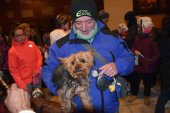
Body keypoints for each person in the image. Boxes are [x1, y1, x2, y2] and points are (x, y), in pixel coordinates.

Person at [41, 0, 134, 113]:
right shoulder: (60, 46)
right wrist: (62, 90)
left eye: (89, 21)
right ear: (72, 22)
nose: (84, 28)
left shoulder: (112, 38)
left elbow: (130, 59)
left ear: (95, 19)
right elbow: (46, 70)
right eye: (78, 23)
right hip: (80, 109)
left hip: (110, 108)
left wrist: (118, 66)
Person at [128, 16, 160, 105]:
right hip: (137, 63)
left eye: (139, 27)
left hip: (148, 67)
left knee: (147, 83)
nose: (137, 28)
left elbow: (157, 54)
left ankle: (146, 95)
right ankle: (134, 94)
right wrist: (134, 51)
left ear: (144, 27)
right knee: (135, 80)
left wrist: (150, 62)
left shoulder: (152, 39)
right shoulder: (137, 37)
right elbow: (133, 47)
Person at [8, 26, 43, 92]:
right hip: (25, 82)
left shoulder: (31, 44)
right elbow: (14, 70)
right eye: (18, 35)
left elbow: (39, 57)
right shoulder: (12, 51)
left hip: (36, 77)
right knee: (28, 101)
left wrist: (38, 69)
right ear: (13, 37)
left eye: (23, 34)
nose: (21, 37)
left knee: (39, 99)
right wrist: (21, 85)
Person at [155, 15, 170, 113]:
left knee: (165, 89)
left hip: (163, 66)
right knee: (165, 93)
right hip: (168, 68)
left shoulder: (160, 35)